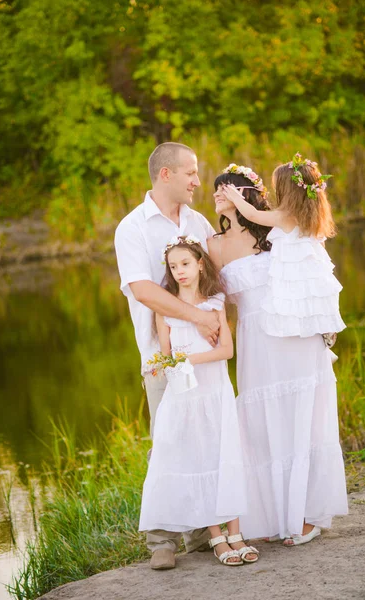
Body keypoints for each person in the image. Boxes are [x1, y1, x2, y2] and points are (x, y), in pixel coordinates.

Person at [208, 163, 348, 547]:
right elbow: (211, 298)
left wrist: (323, 319)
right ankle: (272, 515)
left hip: (293, 335)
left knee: (303, 417)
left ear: (244, 194)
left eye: (225, 190)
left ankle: (306, 515)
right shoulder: (213, 246)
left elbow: (310, 271)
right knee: (261, 426)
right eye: (215, 191)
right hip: (255, 341)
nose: (218, 197)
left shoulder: (274, 231)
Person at [114, 142, 218, 570]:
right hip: (162, 355)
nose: (197, 180)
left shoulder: (198, 221)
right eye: (191, 172)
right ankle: (162, 538)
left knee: (208, 438)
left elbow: (220, 275)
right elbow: (144, 290)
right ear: (166, 175)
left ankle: (202, 531)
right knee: (168, 439)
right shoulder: (132, 227)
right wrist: (195, 315)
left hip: (208, 356)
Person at [139, 236, 259, 566]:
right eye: (173, 266)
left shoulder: (215, 303)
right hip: (185, 399)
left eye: (186, 264)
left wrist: (189, 360)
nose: (179, 271)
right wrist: (160, 366)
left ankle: (236, 533)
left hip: (215, 392)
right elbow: (166, 355)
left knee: (225, 459)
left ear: (200, 264)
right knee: (200, 461)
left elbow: (226, 351)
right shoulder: (165, 311)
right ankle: (218, 538)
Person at [220, 154, 346, 340]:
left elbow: (253, 215)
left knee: (290, 304)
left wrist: (236, 197)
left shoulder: (284, 216)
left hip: (294, 275)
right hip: (312, 278)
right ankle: (323, 331)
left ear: (288, 192)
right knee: (312, 305)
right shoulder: (312, 218)